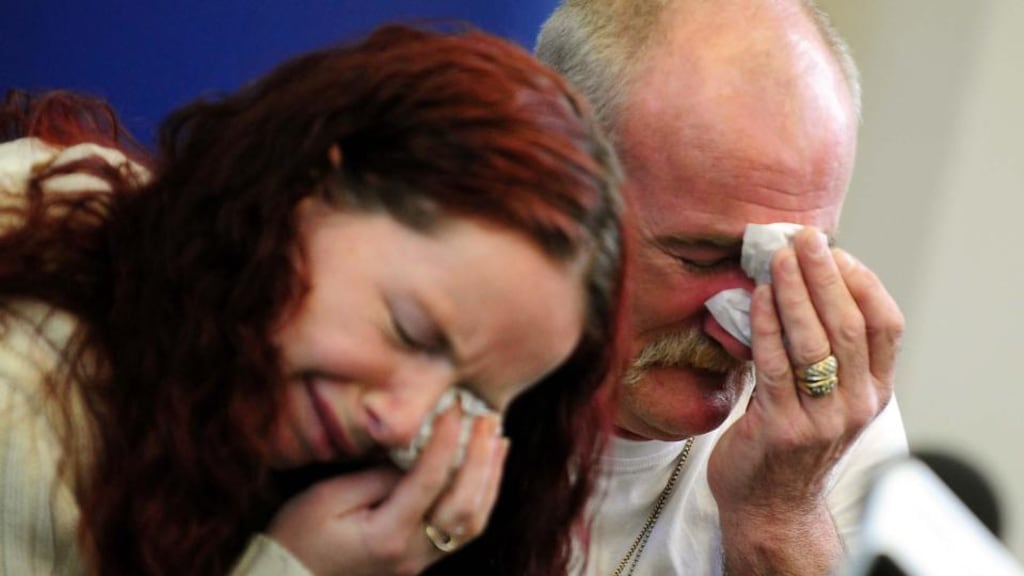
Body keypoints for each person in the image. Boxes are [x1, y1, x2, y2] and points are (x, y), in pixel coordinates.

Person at [0, 24, 626, 576]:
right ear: (306, 186)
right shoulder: (20, 409)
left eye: (467, 402)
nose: (403, 422)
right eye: (410, 330)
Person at [536, 1, 909, 574]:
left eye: (789, 265)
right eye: (701, 257)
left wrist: (780, 517)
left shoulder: (823, 418)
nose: (743, 327)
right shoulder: (411, 351)